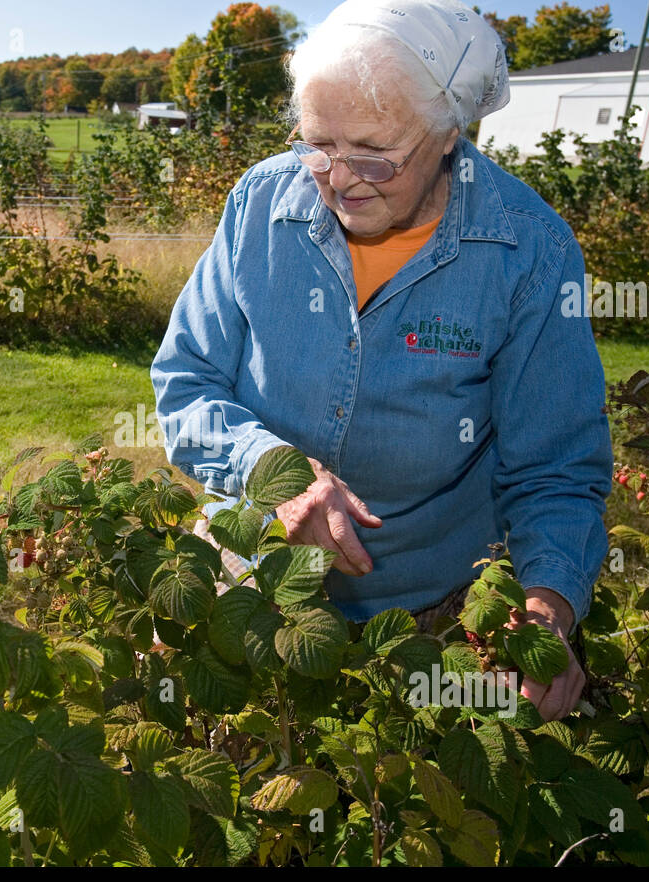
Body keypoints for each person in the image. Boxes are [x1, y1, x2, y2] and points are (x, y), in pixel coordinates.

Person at [149, 0, 612, 721]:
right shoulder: (259, 205)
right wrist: (277, 473)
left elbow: (555, 466)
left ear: (449, 133)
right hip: (255, 575)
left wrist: (547, 603)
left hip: (432, 603)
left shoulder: (530, 252)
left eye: (373, 154)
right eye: (316, 144)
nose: (338, 179)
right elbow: (188, 385)